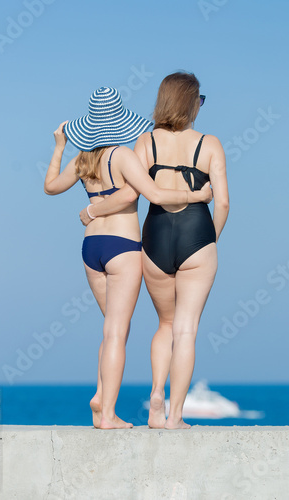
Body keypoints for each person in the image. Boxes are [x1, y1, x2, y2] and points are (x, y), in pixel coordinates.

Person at [44, 86, 212, 429]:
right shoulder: (122, 155)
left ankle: (101, 393)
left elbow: (50, 187)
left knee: (111, 330)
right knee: (117, 331)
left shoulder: (82, 159)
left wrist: (60, 147)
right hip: (122, 246)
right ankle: (106, 413)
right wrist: (198, 195)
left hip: (91, 249)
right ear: (119, 122)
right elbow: (152, 193)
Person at [82, 73, 229, 429]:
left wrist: (93, 210)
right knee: (186, 329)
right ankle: (175, 417)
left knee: (164, 324)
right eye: (200, 99)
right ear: (192, 102)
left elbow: (134, 191)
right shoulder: (210, 144)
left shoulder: (143, 142)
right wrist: (209, 242)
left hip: (155, 237)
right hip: (197, 234)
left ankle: (155, 401)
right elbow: (222, 202)